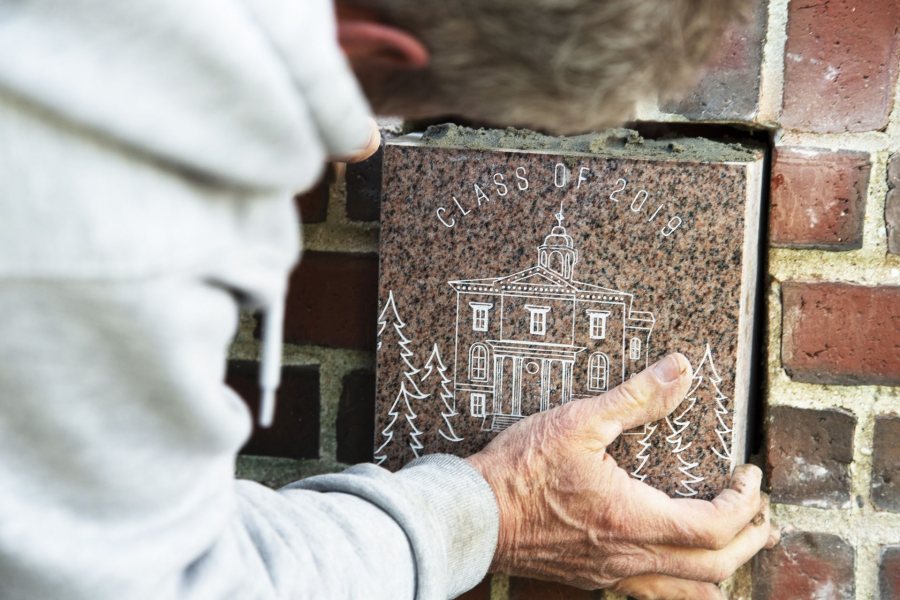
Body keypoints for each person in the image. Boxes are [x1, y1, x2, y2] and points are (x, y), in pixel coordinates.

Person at [0, 1, 776, 599]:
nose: (361, 146)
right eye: (364, 95)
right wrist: (490, 511)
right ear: (375, 46)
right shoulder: (82, 208)